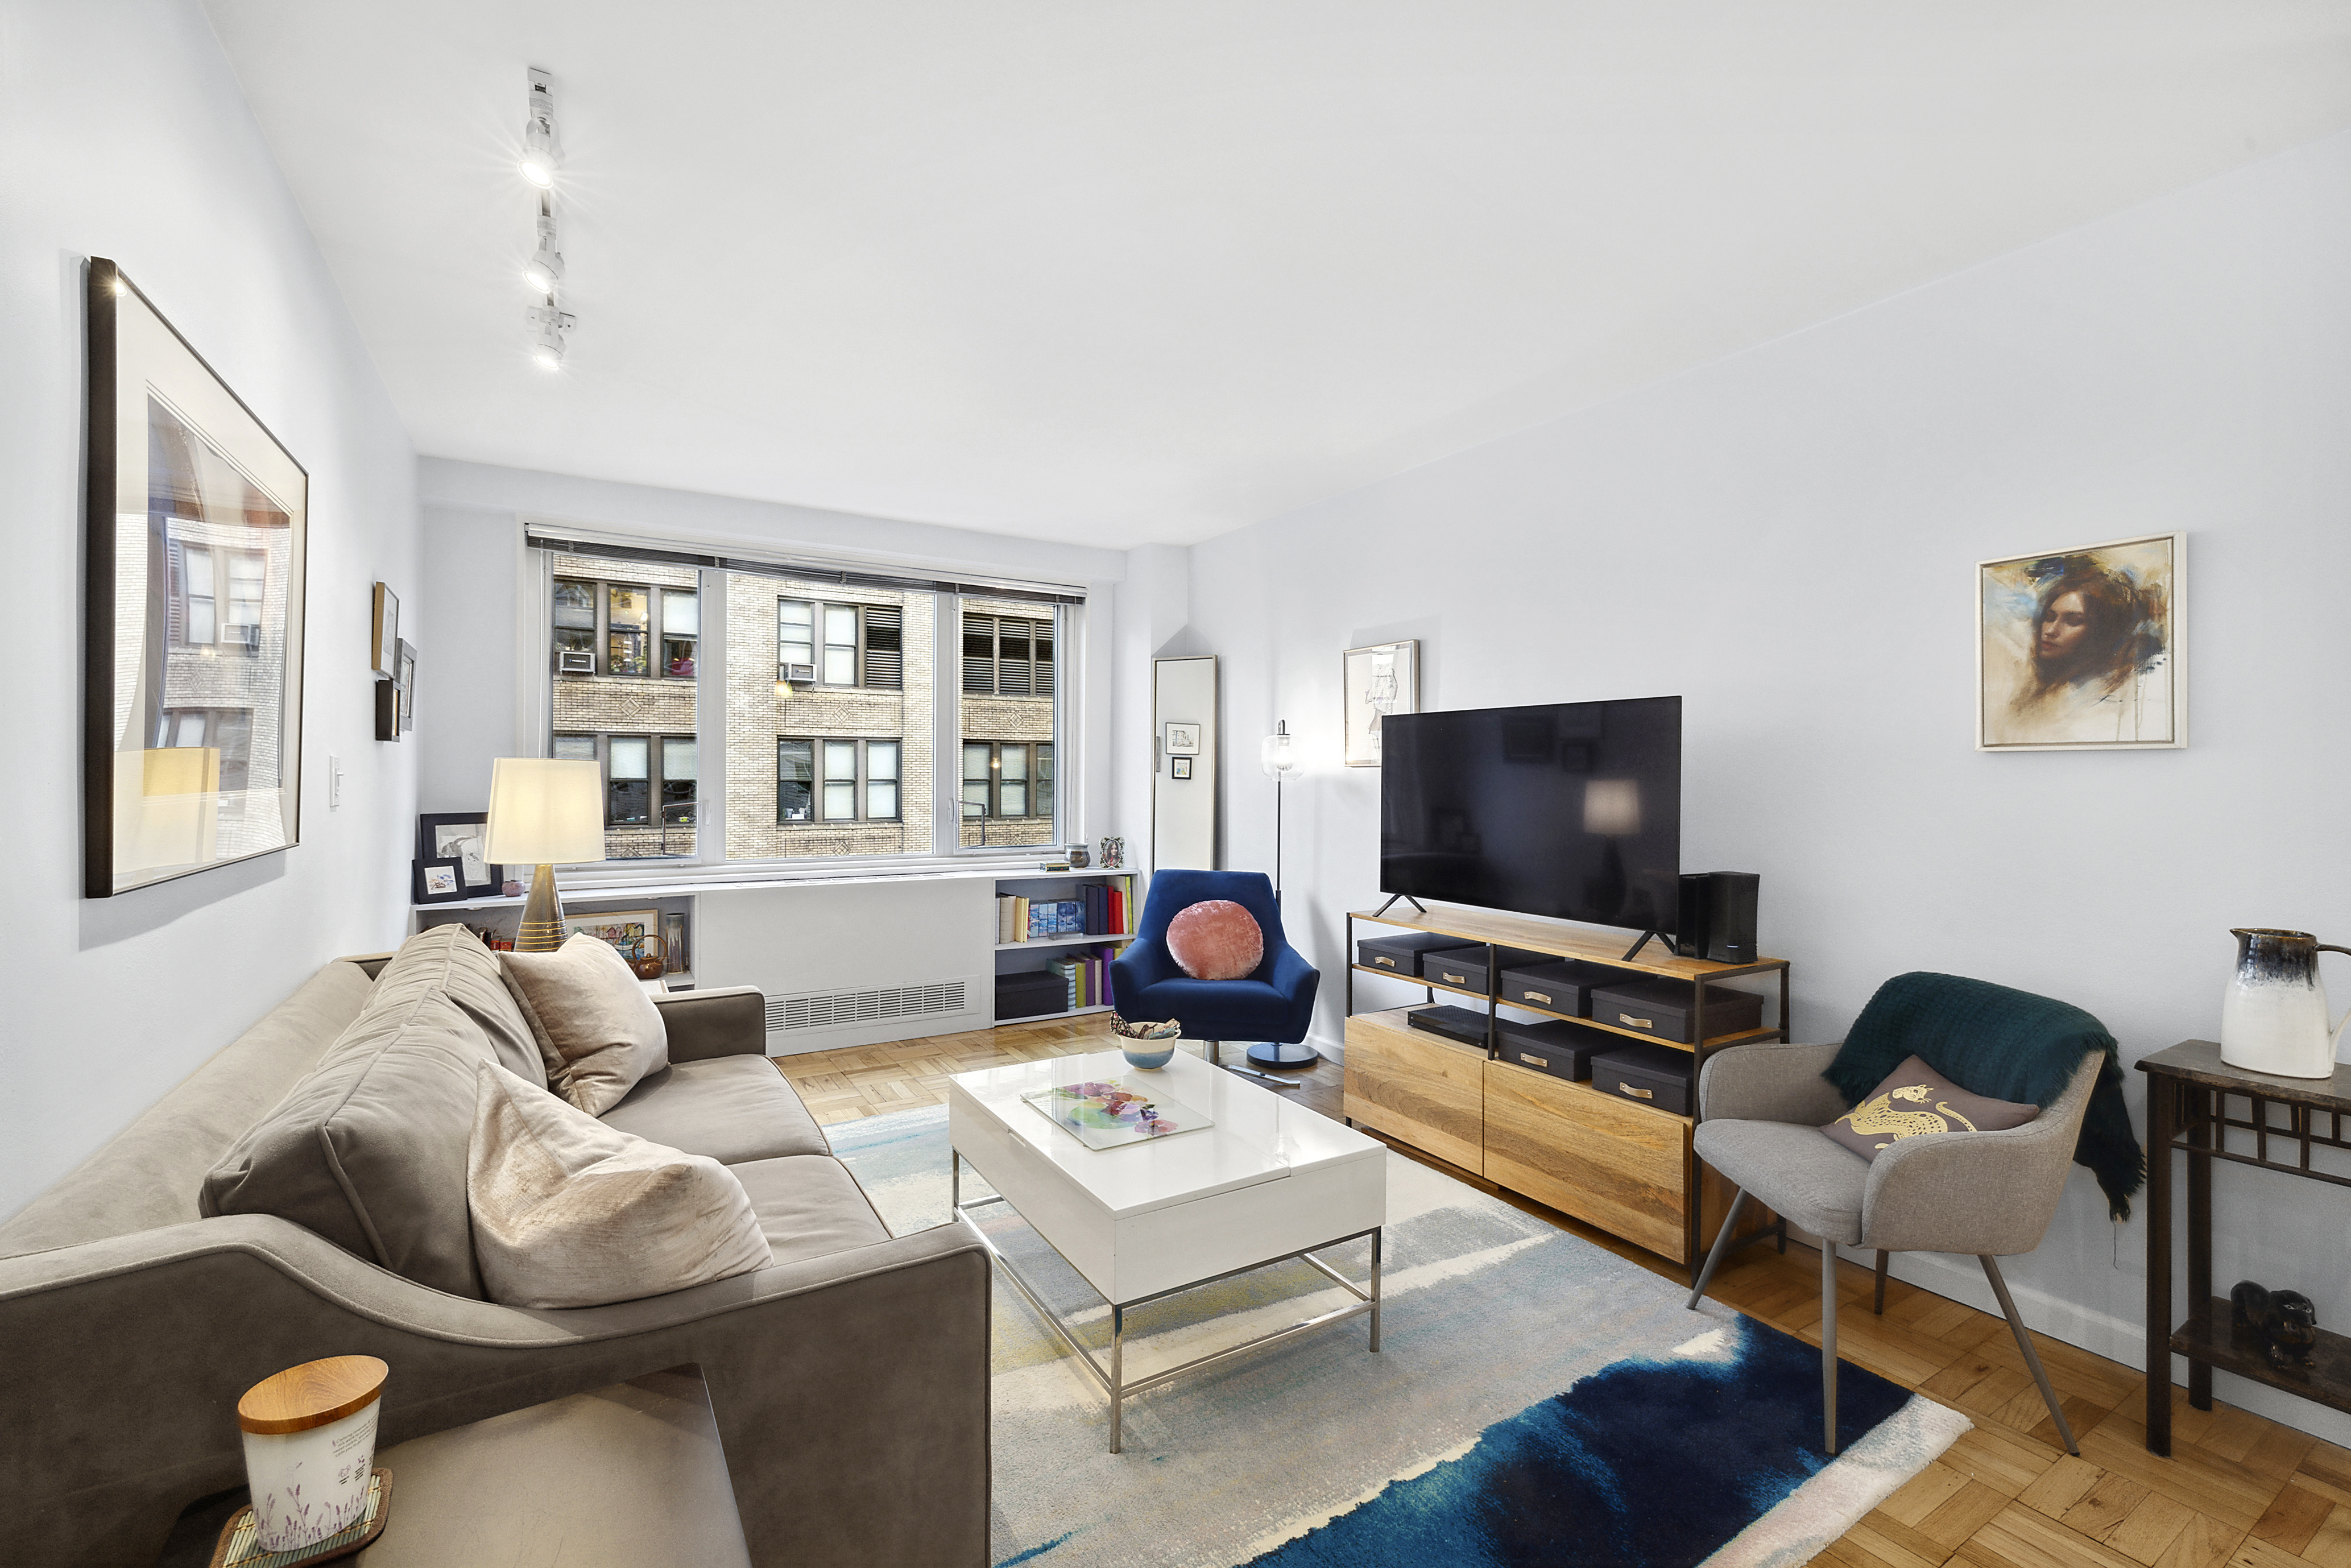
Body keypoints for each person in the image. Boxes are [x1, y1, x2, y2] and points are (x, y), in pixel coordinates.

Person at [1987, 552, 2171, 744]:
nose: (2051, 630)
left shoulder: (2114, 698)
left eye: (2073, 621)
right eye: (2050, 618)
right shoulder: (2028, 683)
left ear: (2100, 632)